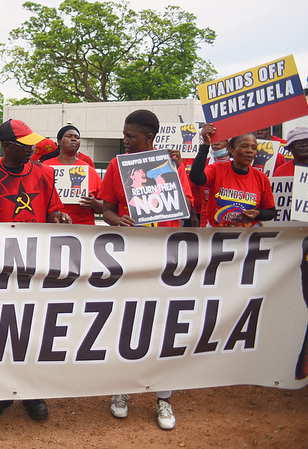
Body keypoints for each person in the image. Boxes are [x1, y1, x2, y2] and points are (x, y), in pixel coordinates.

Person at [0, 118, 70, 422]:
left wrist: (60, 217)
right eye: (24, 145)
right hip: (0, 268)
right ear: (7, 146)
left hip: (36, 266)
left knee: (33, 328)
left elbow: (54, 210)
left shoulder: (44, 172)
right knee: (1, 329)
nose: (31, 149)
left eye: (32, 144)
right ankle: (2, 391)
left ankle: (30, 389)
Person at [98, 109, 180, 430]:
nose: (125, 140)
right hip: (129, 259)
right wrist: (117, 219)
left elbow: (186, 209)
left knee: (164, 328)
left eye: (131, 136)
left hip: (164, 261)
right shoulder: (118, 166)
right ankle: (122, 391)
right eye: (124, 134)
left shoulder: (169, 164)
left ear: (150, 138)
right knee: (127, 325)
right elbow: (106, 209)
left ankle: (164, 399)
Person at [189, 125, 276, 227]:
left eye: (254, 148)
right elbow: (196, 178)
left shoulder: (261, 178)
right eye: (244, 146)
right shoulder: (216, 169)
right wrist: (205, 144)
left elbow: (271, 212)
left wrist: (258, 214)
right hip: (217, 234)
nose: (249, 150)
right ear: (232, 150)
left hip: (247, 236)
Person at [42, 125, 103, 224]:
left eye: (77, 137)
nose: (74, 139)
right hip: (51, 229)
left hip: (83, 230)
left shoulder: (89, 170)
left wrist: (94, 203)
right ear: (59, 141)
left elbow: (104, 207)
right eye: (69, 136)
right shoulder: (45, 167)